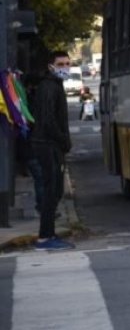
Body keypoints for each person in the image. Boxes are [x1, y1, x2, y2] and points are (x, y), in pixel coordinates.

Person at [30, 51, 75, 250]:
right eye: (60, 64)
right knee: (52, 189)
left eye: (67, 63)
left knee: (55, 189)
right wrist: (63, 140)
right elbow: (48, 120)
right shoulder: (50, 87)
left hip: (49, 143)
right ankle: (45, 236)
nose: (65, 67)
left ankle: (48, 233)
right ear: (51, 66)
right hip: (47, 144)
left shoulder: (53, 85)